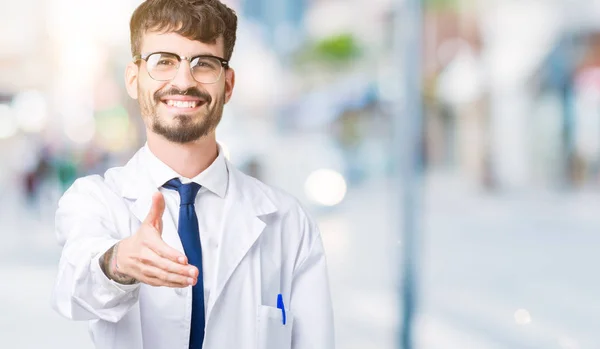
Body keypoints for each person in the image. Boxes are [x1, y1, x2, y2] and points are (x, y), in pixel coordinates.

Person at [50, 1, 335, 348]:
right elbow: (74, 288)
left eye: (204, 64)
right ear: (133, 78)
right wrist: (119, 262)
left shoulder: (288, 222)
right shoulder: (95, 201)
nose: (183, 82)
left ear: (228, 84)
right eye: (164, 62)